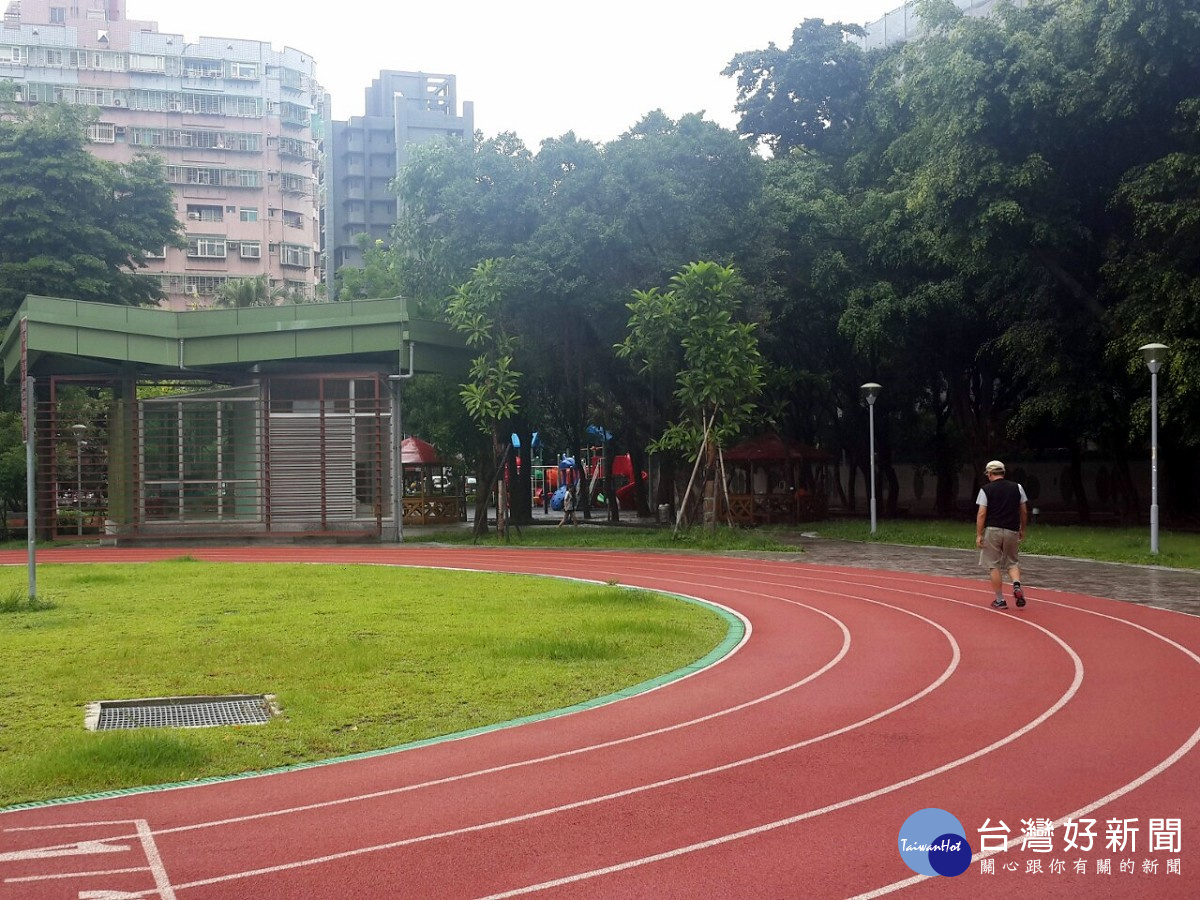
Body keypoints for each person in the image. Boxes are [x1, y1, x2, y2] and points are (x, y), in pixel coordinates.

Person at [975, 460, 1029, 610]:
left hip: (993, 530)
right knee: (1012, 562)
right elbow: (1023, 510)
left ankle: (1000, 599)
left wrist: (979, 534)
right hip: (1012, 529)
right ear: (1003, 472)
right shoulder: (1017, 487)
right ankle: (1016, 585)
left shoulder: (986, 490)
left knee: (993, 565)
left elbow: (981, 513)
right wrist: (1022, 529)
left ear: (990, 473)